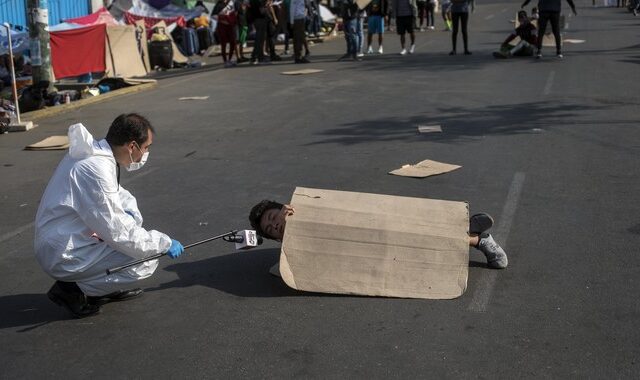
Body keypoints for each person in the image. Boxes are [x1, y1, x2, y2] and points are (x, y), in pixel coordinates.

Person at [34, 114, 185, 318]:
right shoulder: (95, 169)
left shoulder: (97, 156)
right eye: (146, 147)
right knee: (146, 260)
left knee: (132, 232)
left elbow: (119, 198)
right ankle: (72, 290)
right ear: (132, 146)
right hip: (65, 253)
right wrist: (163, 243)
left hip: (67, 240)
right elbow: (119, 232)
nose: (146, 153)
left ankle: (100, 288)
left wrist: (132, 217)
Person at [249, 200, 508, 269]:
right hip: (370, 253)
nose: (276, 225)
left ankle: (477, 239)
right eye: (271, 230)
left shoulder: (304, 207)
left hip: (373, 228)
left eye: (274, 217)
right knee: (415, 248)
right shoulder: (291, 249)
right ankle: (469, 230)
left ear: (282, 207)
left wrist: (293, 215)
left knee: (415, 234)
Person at [212, 0, 239, 67]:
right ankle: (225, 61)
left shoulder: (230, 4)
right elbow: (213, 15)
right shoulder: (219, 5)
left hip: (230, 26)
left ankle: (229, 59)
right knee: (223, 44)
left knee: (233, 42)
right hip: (222, 26)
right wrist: (222, 20)